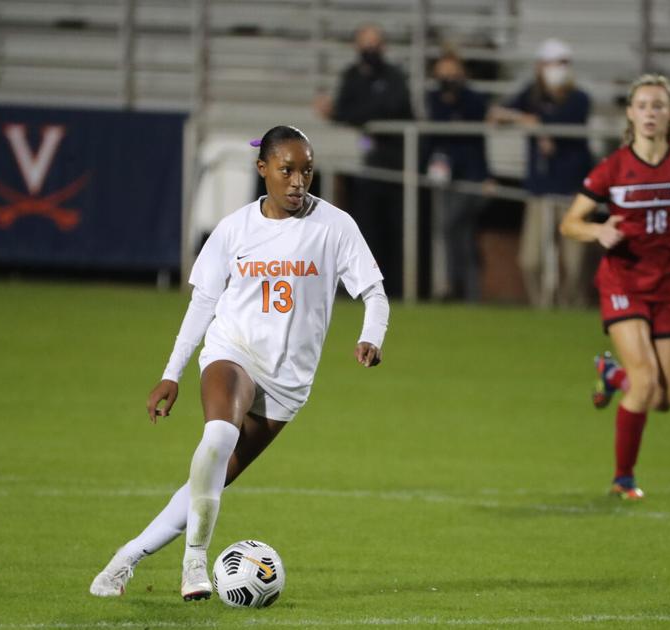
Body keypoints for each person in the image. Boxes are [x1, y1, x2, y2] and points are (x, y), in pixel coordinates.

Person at [89, 125, 390, 601]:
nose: (297, 181)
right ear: (263, 169)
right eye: (287, 169)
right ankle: (194, 562)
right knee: (219, 434)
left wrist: (371, 336)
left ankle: (125, 559)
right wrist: (172, 373)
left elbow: (374, 294)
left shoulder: (335, 227)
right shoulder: (234, 230)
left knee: (213, 476)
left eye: (306, 170)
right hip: (233, 352)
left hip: (289, 382)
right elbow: (202, 305)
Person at [558, 74, 670, 500]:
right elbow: (569, 223)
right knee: (646, 378)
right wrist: (597, 232)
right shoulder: (613, 168)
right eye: (642, 105)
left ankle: (611, 375)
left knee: (663, 397)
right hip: (623, 282)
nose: (650, 113)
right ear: (630, 114)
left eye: (658, 105)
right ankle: (623, 478)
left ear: (669, 113)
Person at [489, 38, 593, 308]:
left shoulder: (578, 99)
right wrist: (525, 121)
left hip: (571, 190)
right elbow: (499, 113)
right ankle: (541, 307)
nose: (557, 69)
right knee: (531, 259)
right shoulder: (531, 95)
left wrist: (534, 124)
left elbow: (556, 123)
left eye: (562, 63)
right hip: (540, 189)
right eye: (552, 63)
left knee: (574, 261)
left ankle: (574, 308)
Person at [315, 23, 414, 296]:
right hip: (365, 167)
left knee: (394, 230)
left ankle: (395, 289)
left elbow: (393, 110)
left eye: (375, 43)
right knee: (363, 231)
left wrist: (356, 114)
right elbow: (345, 110)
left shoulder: (394, 76)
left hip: (395, 165)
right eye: (365, 43)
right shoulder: (351, 77)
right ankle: (360, 289)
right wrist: (355, 114)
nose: (370, 49)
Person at [425, 50, 495, 301]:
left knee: (455, 229)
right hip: (444, 177)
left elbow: (476, 138)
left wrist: (487, 176)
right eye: (443, 75)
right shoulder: (432, 99)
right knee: (457, 235)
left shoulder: (473, 99)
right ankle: (463, 290)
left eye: (453, 74)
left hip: (471, 176)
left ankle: (463, 288)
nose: (448, 79)